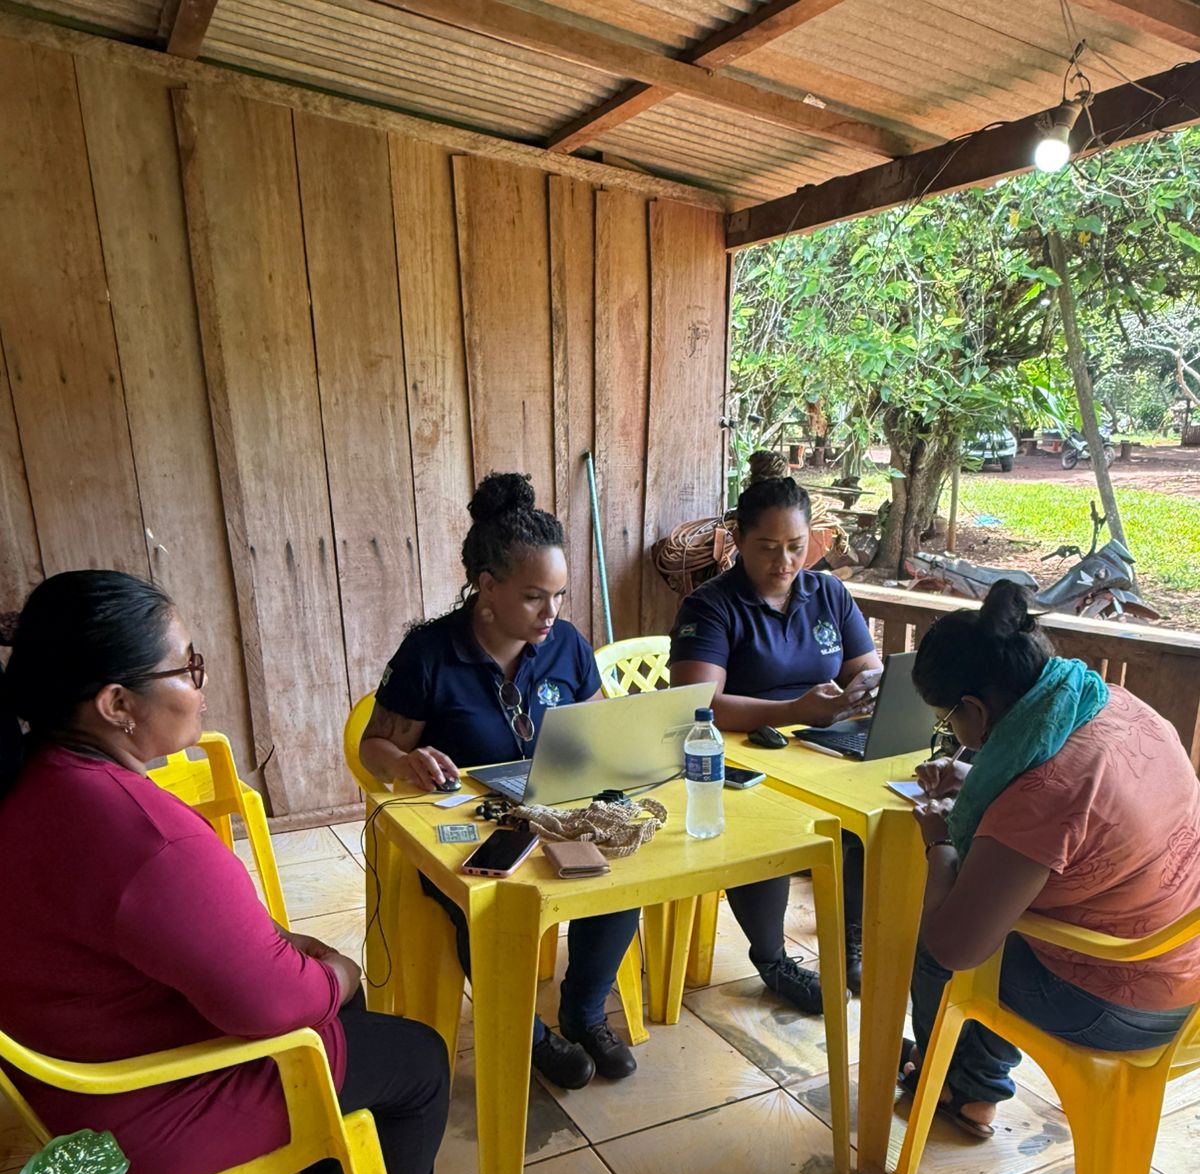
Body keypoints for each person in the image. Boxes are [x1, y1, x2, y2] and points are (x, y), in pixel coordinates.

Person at [0, 570, 467, 1174]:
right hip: (137, 1109)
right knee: (419, 1061)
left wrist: (292, 965)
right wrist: (333, 970)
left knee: (340, 1010)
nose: (200, 682)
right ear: (117, 704)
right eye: (187, 666)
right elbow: (274, 1007)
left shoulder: (35, 778)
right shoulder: (144, 837)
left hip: (67, 1076)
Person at [359, 472, 641, 1090]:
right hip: (470, 828)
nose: (552, 614)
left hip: (556, 812)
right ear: (487, 587)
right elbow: (373, 745)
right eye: (536, 596)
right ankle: (529, 1032)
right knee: (482, 905)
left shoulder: (565, 644)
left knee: (620, 877)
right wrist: (405, 761)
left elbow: (595, 727)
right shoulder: (429, 654)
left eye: (561, 596)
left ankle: (584, 1011)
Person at [902, 579, 1200, 1137]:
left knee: (939, 938)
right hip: (1184, 965)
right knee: (1001, 917)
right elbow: (1084, 816)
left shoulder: (1044, 795)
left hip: (1125, 1005)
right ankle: (974, 1087)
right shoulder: (1112, 703)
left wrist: (939, 838)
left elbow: (954, 945)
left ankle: (954, 1086)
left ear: (975, 709)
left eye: (950, 722)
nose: (954, 735)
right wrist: (974, 779)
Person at [668, 458, 881, 1013]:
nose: (784, 561)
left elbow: (865, 668)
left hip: (819, 743)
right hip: (737, 756)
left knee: (867, 816)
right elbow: (699, 705)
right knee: (766, 828)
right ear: (738, 540)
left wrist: (866, 693)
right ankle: (772, 960)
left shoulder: (828, 595)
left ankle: (849, 938)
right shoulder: (712, 606)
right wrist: (794, 709)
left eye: (796, 545)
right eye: (766, 546)